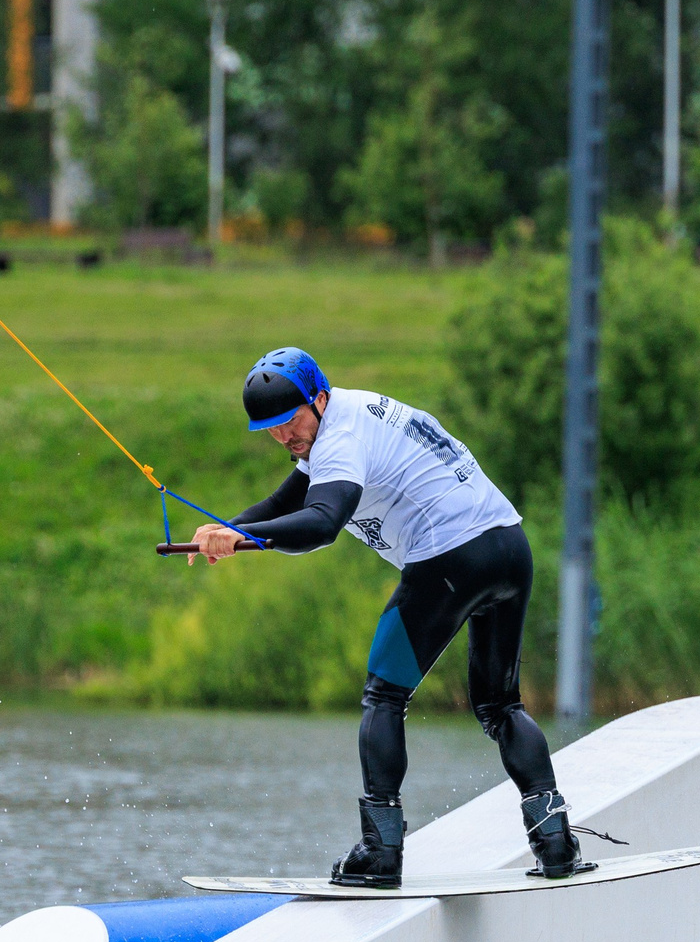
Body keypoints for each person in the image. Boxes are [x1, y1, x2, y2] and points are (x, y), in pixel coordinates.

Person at [188, 347, 592, 890]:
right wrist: (223, 528)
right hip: (509, 549)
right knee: (500, 704)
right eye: (271, 429)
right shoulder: (345, 415)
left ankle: (381, 852)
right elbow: (287, 499)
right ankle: (556, 840)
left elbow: (323, 523)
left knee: (384, 697)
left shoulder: (341, 440)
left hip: (452, 558)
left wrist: (243, 540)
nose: (284, 437)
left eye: (291, 421)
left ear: (318, 398)